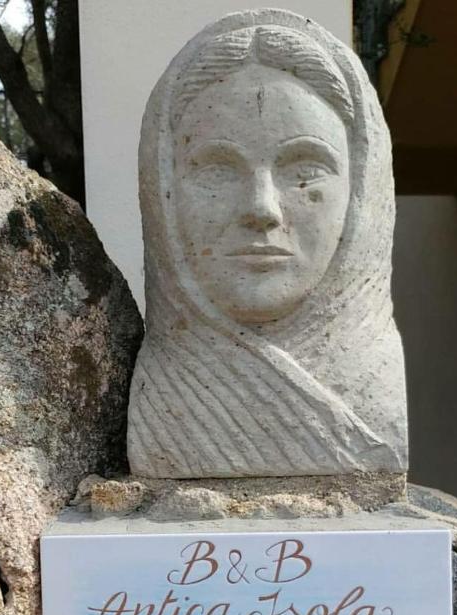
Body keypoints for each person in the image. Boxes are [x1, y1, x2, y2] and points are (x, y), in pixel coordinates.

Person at [127, 9, 407, 478]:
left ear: (361, 192)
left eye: (304, 171)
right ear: (163, 193)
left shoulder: (376, 385)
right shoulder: (164, 390)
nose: (263, 210)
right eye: (217, 169)